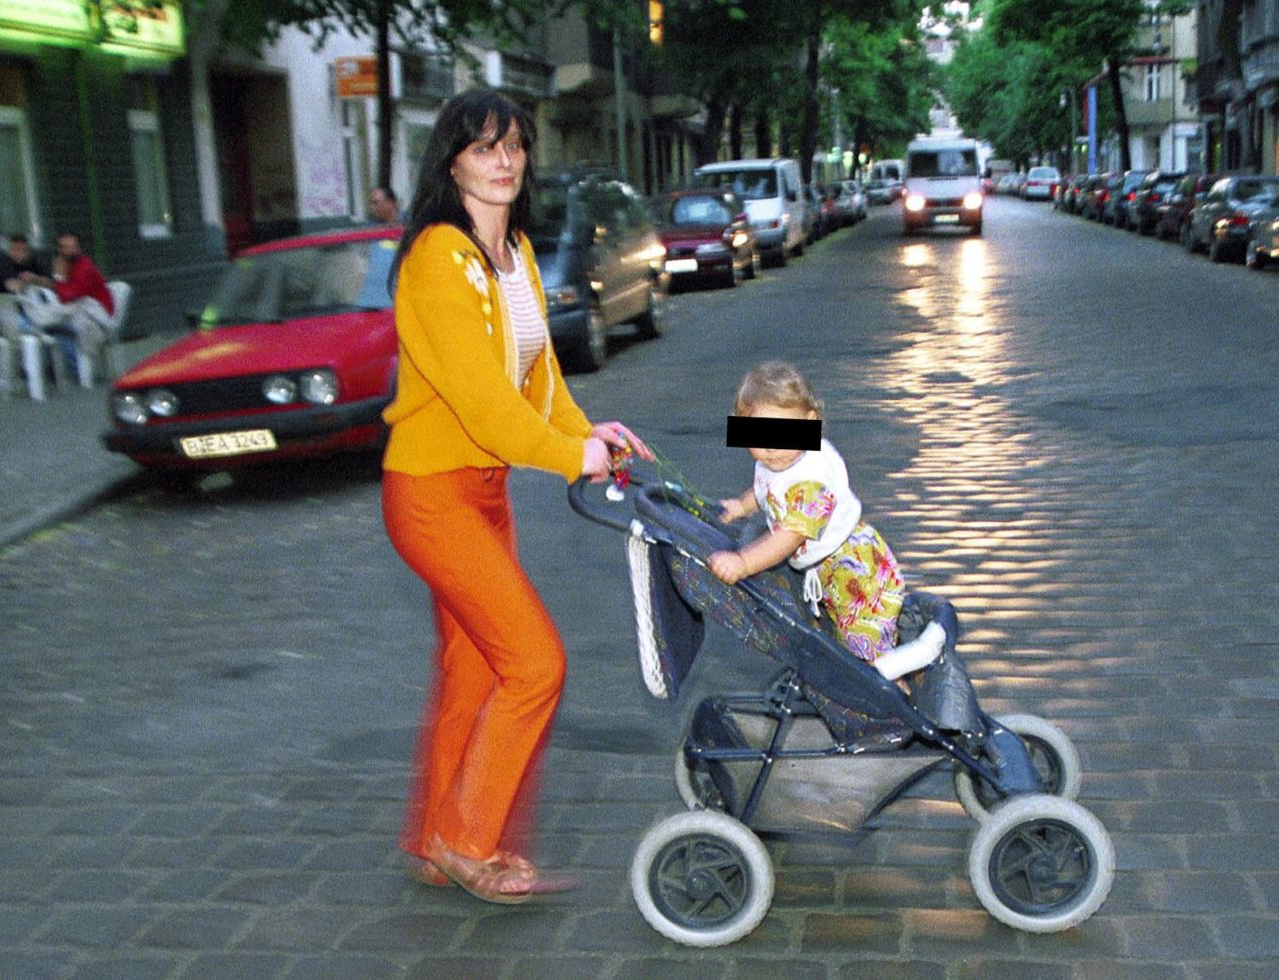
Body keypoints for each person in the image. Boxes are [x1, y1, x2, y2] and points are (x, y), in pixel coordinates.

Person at [381, 87, 651, 905]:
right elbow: (486, 407)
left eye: (514, 146)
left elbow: (541, 382)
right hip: (430, 492)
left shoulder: (516, 254)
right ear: (453, 160)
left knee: (471, 669)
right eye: (483, 146)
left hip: (485, 493)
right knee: (535, 662)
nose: (502, 161)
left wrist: (587, 433)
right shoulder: (437, 258)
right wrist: (573, 459)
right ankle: (469, 838)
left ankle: (436, 840)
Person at [708, 362, 944, 682]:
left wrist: (743, 562)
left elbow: (788, 538)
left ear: (810, 423)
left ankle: (904, 695)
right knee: (837, 647)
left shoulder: (811, 480)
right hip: (824, 569)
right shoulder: (777, 459)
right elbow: (766, 489)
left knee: (867, 657)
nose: (770, 446)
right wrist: (742, 505)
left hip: (856, 570)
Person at [16, 232, 115, 377]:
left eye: (73, 247)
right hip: (76, 310)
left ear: (79, 248)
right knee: (55, 329)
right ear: (60, 251)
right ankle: (53, 367)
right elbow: (60, 289)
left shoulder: (84, 266)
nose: (70, 251)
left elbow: (67, 296)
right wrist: (38, 279)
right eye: (65, 247)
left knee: (55, 318)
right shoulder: (68, 266)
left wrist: (59, 276)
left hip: (97, 313)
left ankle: (34, 323)